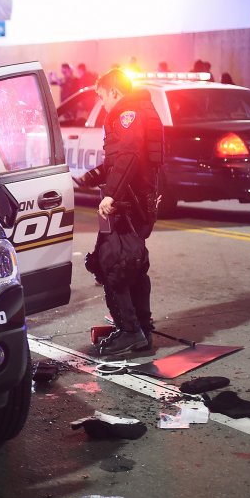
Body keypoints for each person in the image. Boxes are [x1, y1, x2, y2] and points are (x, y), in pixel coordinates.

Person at [75, 69, 162, 356]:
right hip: (136, 200)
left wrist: (111, 193)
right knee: (133, 265)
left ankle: (129, 331)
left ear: (114, 91)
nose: (102, 103)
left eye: (102, 96)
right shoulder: (138, 109)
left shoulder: (128, 112)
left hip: (129, 203)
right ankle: (142, 331)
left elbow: (129, 155)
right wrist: (94, 176)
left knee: (114, 264)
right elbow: (122, 160)